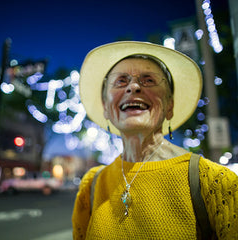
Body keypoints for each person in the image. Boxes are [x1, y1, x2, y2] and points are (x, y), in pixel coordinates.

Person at [72, 41, 238, 239]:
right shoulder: (92, 186)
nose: (133, 87)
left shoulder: (215, 182)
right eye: (121, 81)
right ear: (106, 108)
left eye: (148, 80)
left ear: (170, 105)